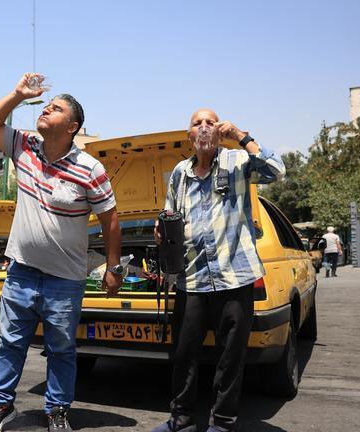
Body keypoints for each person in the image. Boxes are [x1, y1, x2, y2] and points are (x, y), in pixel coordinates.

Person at [0, 73, 122, 432]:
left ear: (72, 126)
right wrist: (17, 94)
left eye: (55, 108)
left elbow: (110, 219)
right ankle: (0, 405)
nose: (45, 109)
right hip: (21, 272)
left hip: (65, 280)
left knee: (61, 349)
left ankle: (57, 410)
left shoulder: (90, 169)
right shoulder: (24, 147)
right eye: (45, 106)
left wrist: (113, 267)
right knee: (10, 344)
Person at [152, 109, 285, 432]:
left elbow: (276, 170)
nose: (204, 127)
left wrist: (241, 135)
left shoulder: (237, 161)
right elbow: (171, 211)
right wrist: (162, 224)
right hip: (191, 279)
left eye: (210, 122)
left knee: (230, 356)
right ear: (189, 136)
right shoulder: (180, 173)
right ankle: (181, 419)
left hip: (233, 276)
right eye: (197, 123)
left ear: (219, 130)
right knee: (183, 354)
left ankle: (222, 421)